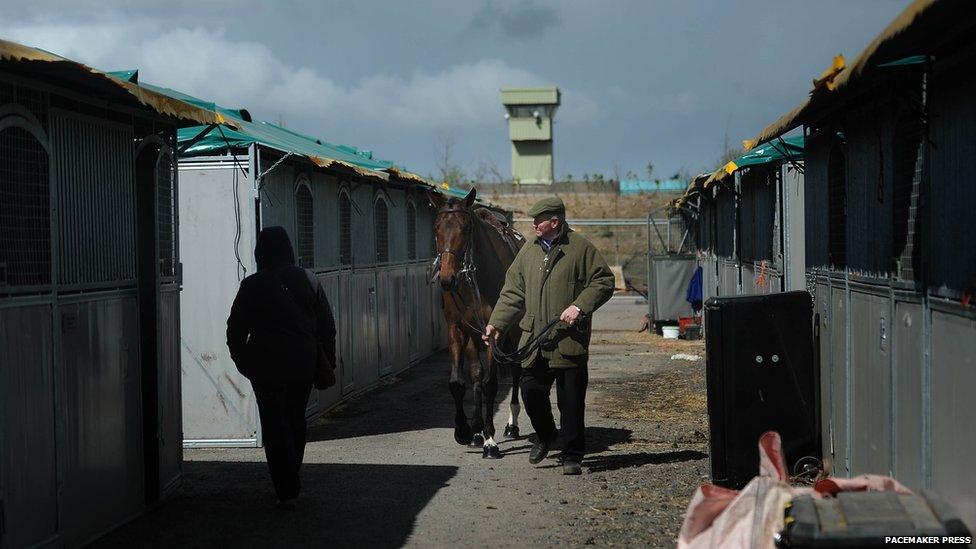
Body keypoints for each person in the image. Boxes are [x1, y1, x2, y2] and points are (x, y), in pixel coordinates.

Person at [483, 197, 614, 475]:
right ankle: (545, 435)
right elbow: (513, 292)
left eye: (538, 219)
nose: (533, 224)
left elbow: (604, 281)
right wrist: (496, 324)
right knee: (530, 391)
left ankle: (572, 456)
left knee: (571, 402)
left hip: (569, 339)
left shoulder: (580, 249)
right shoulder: (528, 251)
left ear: (555, 222)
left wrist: (579, 306)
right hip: (535, 341)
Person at [227, 226, 337, 508]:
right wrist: (326, 362)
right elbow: (327, 326)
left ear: (260, 252)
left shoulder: (251, 285)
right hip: (301, 362)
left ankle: (285, 487)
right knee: (295, 418)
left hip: (264, 365)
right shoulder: (309, 280)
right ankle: (293, 472)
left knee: (274, 425)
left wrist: (245, 363)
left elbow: (235, 329)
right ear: (289, 249)